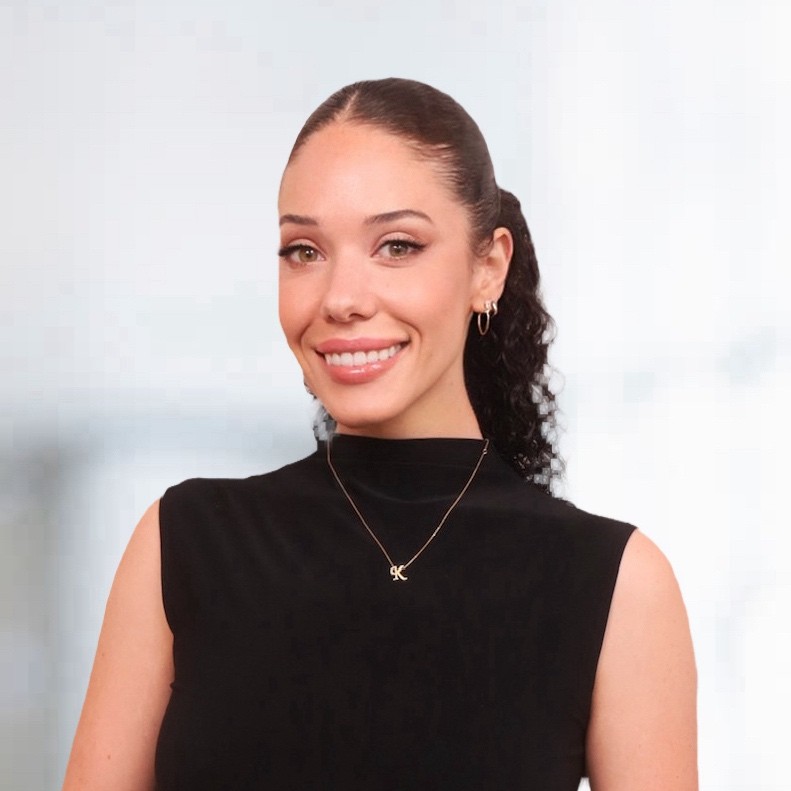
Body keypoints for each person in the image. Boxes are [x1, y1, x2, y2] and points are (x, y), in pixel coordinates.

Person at [63, 78, 698, 790]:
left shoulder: (616, 581)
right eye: (304, 250)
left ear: (487, 266)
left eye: (396, 245)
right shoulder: (182, 540)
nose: (340, 298)